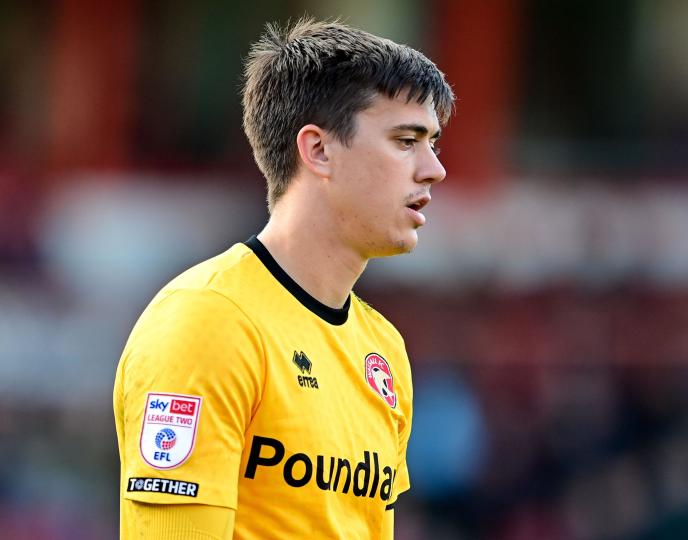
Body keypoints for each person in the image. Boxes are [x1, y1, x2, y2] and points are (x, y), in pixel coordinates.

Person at [113, 17, 453, 539]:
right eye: (406, 140)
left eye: (431, 143)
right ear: (317, 150)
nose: (433, 168)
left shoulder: (383, 351)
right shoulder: (208, 322)